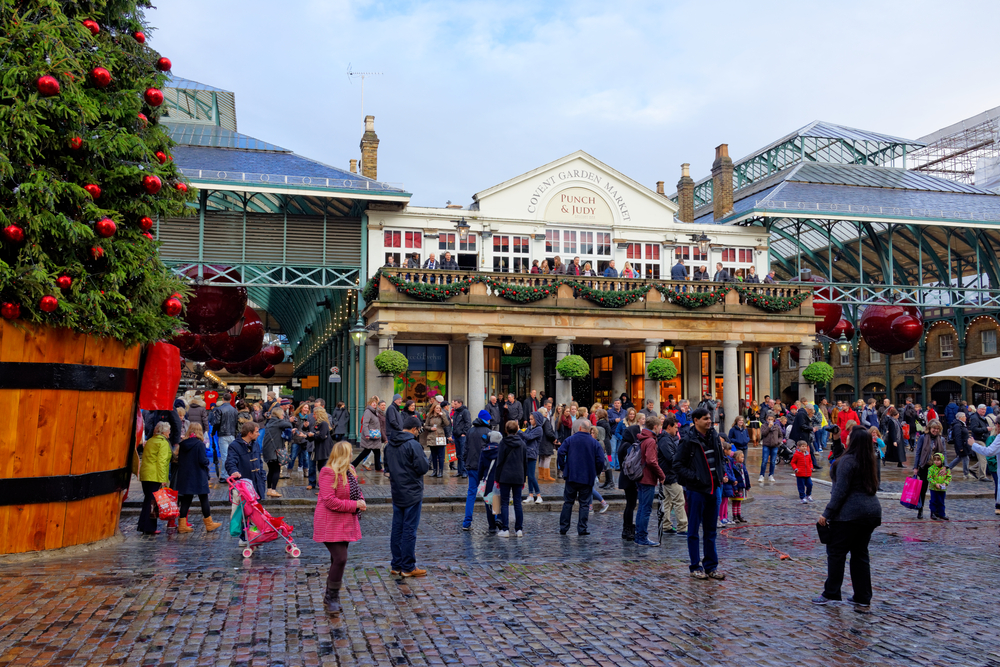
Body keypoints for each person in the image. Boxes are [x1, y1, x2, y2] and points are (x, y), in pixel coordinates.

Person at [813, 426, 882, 612]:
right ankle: (862, 597)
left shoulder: (848, 462)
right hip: (871, 512)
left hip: (849, 514)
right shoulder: (869, 459)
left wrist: (826, 513)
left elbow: (840, 491)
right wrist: (835, 439)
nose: (847, 438)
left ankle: (831, 592)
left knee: (836, 553)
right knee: (860, 555)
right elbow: (840, 457)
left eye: (849, 436)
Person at [313, 440, 367, 615]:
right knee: (341, 558)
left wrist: (361, 501)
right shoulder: (327, 472)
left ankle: (330, 596)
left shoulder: (350, 470)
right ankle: (332, 598)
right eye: (350, 452)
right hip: (330, 522)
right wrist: (354, 505)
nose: (352, 455)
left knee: (337, 560)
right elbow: (329, 501)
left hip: (346, 522)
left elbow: (356, 491)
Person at [676, 407, 726, 580]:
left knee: (711, 530)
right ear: (696, 420)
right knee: (694, 530)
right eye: (705, 418)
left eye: (709, 418)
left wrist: (721, 474)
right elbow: (678, 466)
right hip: (696, 490)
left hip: (714, 489)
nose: (709, 421)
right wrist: (695, 478)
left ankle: (711, 566)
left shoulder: (714, 436)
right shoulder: (687, 440)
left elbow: (721, 458)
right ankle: (695, 566)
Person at [384, 416, 430, 577]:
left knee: (397, 528)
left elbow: (387, 468)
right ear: (414, 429)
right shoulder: (413, 445)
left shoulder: (390, 445)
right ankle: (408, 566)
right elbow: (423, 467)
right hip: (412, 491)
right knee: (409, 529)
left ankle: (396, 564)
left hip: (397, 490)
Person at [557, 420, 606, 536]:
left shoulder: (570, 440)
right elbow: (600, 460)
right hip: (587, 477)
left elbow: (560, 453)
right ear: (589, 430)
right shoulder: (594, 443)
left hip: (571, 476)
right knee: (584, 504)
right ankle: (582, 528)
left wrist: (563, 467)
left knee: (568, 502)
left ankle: (563, 527)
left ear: (579, 428)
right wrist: (596, 472)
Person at [175, 423, 221, 533]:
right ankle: (209, 524)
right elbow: (202, 460)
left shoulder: (183, 444)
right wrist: (207, 462)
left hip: (186, 476)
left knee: (186, 500)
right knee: (204, 499)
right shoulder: (199, 444)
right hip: (198, 475)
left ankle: (181, 525)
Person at [226, 421, 267, 543]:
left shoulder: (255, 444)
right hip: (243, 485)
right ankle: (244, 537)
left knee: (256, 512)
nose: (259, 434)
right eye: (256, 432)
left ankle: (255, 535)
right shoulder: (234, 445)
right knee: (243, 512)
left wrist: (262, 475)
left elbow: (259, 460)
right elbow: (230, 462)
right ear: (249, 433)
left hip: (256, 482)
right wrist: (234, 471)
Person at [633, 415, 666, 546]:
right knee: (645, 509)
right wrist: (661, 475)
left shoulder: (643, 438)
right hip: (647, 478)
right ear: (655, 426)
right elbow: (651, 461)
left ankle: (639, 535)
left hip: (641, 477)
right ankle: (642, 537)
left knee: (641, 508)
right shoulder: (651, 441)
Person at [138, 421, 172, 536]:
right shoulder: (162, 443)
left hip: (146, 475)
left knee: (147, 500)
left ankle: (143, 525)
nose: (169, 433)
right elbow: (161, 462)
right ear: (163, 432)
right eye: (168, 431)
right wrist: (163, 479)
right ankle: (149, 527)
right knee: (152, 502)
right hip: (155, 476)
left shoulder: (151, 441)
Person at [495, 421, 528, 537]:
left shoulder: (503, 443)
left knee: (504, 503)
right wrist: (524, 478)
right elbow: (525, 462)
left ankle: (505, 529)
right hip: (518, 475)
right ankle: (519, 529)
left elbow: (499, 461)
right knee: (517, 502)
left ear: (506, 430)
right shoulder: (522, 443)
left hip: (505, 476)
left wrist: (496, 478)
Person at [656, 415, 687, 536]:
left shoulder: (666, 438)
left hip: (667, 474)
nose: (677, 430)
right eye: (675, 428)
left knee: (667, 501)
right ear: (669, 427)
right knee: (679, 501)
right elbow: (671, 458)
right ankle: (682, 527)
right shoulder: (665, 440)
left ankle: (666, 525)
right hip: (670, 475)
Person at [462, 410, 493, 530]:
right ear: (486, 419)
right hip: (484, 468)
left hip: (471, 466)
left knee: (471, 494)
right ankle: (493, 521)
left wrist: (466, 462)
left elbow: (465, 449)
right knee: (488, 494)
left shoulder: (470, 431)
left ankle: (466, 522)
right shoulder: (488, 432)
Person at [913, 419, 947, 519]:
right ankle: (920, 510)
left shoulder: (941, 439)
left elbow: (944, 453)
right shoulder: (923, 438)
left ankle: (935, 512)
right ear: (929, 428)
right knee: (922, 490)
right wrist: (916, 467)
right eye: (934, 428)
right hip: (925, 466)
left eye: (937, 429)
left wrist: (945, 466)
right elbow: (918, 453)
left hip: (936, 468)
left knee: (936, 491)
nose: (935, 430)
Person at [616, 411, 641, 540]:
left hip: (625, 478)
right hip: (631, 478)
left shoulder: (623, 445)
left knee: (629, 504)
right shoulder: (629, 446)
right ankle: (628, 529)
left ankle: (627, 528)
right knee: (631, 505)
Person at [209, 394, 239, 482]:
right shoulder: (234, 410)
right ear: (230, 399)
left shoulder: (219, 409)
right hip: (232, 434)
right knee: (232, 455)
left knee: (224, 455)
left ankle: (224, 475)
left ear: (222, 399)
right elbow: (236, 423)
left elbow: (217, 422)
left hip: (223, 434)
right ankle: (232, 473)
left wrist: (213, 432)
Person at [354, 396, 385, 473]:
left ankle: (378, 467)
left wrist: (377, 399)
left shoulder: (375, 412)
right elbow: (365, 424)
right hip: (370, 436)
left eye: (375, 403)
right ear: (369, 404)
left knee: (377, 451)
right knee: (366, 451)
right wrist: (367, 434)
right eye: (372, 403)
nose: (374, 404)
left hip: (375, 436)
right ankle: (353, 464)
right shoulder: (368, 412)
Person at [421, 400, 451, 478]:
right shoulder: (429, 416)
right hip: (431, 437)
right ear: (434, 408)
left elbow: (447, 424)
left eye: (439, 408)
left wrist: (443, 415)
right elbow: (425, 426)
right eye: (437, 408)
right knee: (434, 455)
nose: (438, 409)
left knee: (441, 455)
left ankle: (440, 471)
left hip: (440, 436)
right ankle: (434, 471)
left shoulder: (443, 414)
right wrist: (431, 428)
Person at [948, 411, 975, 479]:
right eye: (964, 416)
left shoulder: (961, 424)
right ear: (960, 417)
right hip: (962, 444)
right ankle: (966, 473)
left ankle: (948, 468)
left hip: (964, 444)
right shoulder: (958, 425)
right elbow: (958, 436)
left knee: (960, 458)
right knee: (965, 457)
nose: (965, 418)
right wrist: (960, 447)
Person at [524, 412, 544, 504]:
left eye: (532, 419)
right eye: (530, 419)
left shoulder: (539, 429)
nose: (530, 420)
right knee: (529, 476)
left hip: (532, 453)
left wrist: (520, 432)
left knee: (531, 476)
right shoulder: (529, 427)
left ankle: (538, 495)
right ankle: (531, 495)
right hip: (527, 453)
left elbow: (528, 437)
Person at [927, 452, 952, 520]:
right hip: (933, 488)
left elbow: (949, 477)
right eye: (935, 460)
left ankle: (942, 514)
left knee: (941, 501)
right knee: (933, 501)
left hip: (942, 489)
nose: (936, 462)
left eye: (938, 460)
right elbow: (929, 478)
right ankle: (933, 513)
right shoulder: (931, 469)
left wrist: (945, 483)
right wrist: (935, 484)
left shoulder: (946, 469)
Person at [450, 397, 471, 478]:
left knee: (463, 454)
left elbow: (468, 422)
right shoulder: (456, 412)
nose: (454, 406)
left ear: (460, 403)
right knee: (458, 455)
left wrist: (464, 433)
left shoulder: (465, 411)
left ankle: (464, 471)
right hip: (456, 435)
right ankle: (460, 471)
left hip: (462, 436)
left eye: (455, 404)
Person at [759, 413, 781, 484]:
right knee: (764, 461)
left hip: (774, 445)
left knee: (773, 461)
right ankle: (762, 475)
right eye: (769, 419)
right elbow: (764, 434)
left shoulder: (777, 426)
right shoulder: (763, 426)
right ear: (766, 419)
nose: (770, 420)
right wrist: (769, 427)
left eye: (772, 419)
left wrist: (778, 441)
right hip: (766, 445)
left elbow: (780, 435)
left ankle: (771, 475)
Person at [730, 450, 750, 523]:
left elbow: (746, 476)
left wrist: (748, 486)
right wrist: (735, 488)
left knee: (739, 502)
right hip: (737, 487)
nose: (743, 458)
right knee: (735, 501)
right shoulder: (734, 466)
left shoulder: (742, 466)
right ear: (737, 458)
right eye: (741, 457)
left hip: (742, 487)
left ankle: (739, 515)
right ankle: (734, 516)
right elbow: (734, 478)